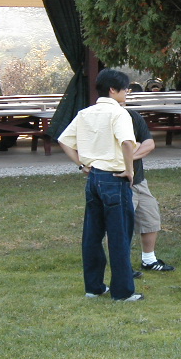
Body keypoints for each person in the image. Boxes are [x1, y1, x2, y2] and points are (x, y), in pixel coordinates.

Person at [58, 69, 143, 301]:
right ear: (113, 90)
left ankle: (94, 287)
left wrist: (81, 164)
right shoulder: (119, 113)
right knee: (119, 235)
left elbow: (64, 141)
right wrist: (130, 170)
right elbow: (127, 143)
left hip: (93, 178)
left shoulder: (85, 113)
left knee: (92, 235)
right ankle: (123, 292)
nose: (127, 92)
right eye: (125, 88)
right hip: (114, 178)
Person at [126, 108, 175, 272]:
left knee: (150, 217)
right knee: (122, 225)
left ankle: (149, 260)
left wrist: (129, 156)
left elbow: (149, 144)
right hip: (120, 182)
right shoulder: (106, 119)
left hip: (139, 181)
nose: (125, 96)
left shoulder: (133, 116)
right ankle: (122, 266)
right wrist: (135, 148)